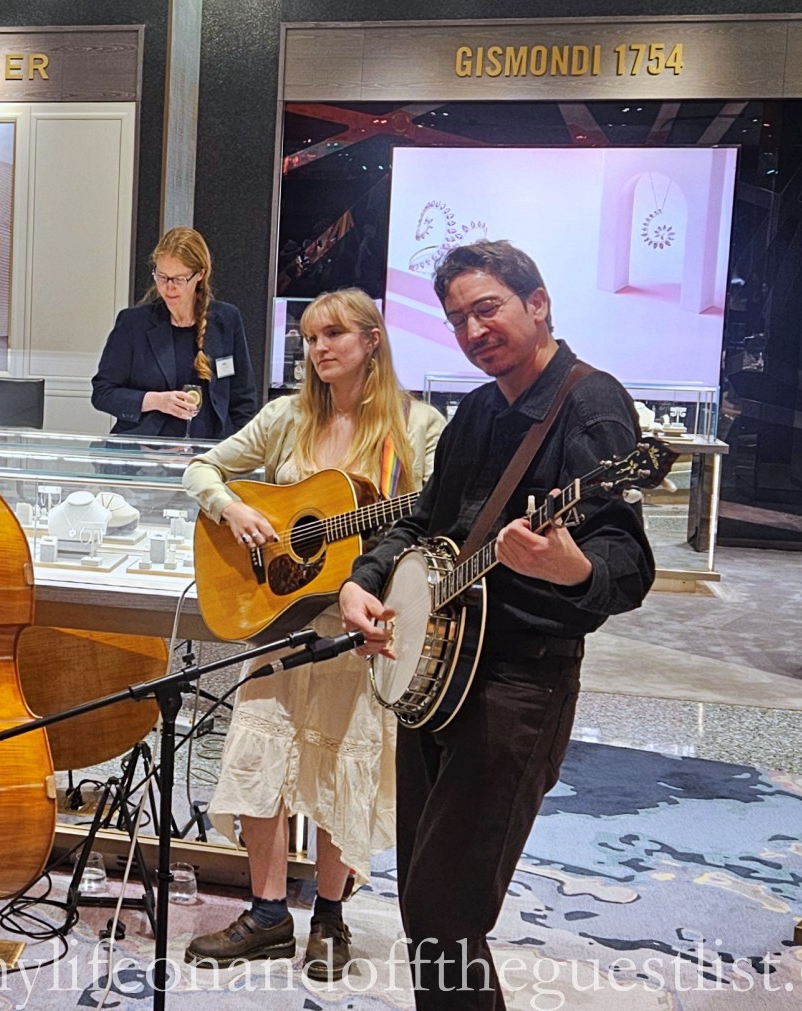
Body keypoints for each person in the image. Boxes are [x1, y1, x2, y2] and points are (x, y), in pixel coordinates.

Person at [338, 241, 654, 1009]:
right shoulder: (477, 411)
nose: (473, 331)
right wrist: (364, 579)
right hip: (434, 675)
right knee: (422, 901)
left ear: (537, 304)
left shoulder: (591, 404)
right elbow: (424, 519)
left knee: (447, 908)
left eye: (487, 308)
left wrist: (570, 568)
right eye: (457, 320)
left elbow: (627, 560)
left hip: (518, 686)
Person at [182, 289, 444, 980]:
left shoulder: (417, 426)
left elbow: (439, 520)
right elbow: (200, 467)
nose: (319, 348)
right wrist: (232, 508)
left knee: (338, 766)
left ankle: (329, 916)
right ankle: (268, 915)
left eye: (333, 334)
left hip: (361, 629)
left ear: (372, 340)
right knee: (260, 758)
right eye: (309, 337)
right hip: (282, 621)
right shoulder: (286, 418)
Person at [92, 227, 258, 439]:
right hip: (146, 451)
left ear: (200, 274)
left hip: (210, 452)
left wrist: (237, 448)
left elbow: (243, 399)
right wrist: (156, 401)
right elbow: (103, 393)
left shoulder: (227, 320)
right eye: (162, 277)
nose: (169, 287)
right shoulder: (133, 324)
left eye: (179, 279)